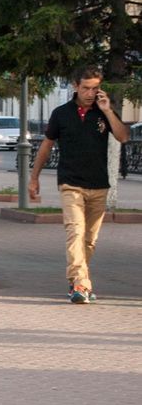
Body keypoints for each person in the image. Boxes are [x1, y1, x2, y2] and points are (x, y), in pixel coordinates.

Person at [29, 65, 129, 304]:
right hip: (71, 184)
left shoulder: (104, 112)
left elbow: (123, 136)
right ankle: (81, 284)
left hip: (99, 185)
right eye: (86, 88)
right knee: (75, 231)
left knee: (89, 239)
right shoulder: (61, 114)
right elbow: (46, 146)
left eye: (95, 88)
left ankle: (77, 280)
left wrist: (107, 110)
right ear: (76, 86)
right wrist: (34, 178)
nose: (90, 93)